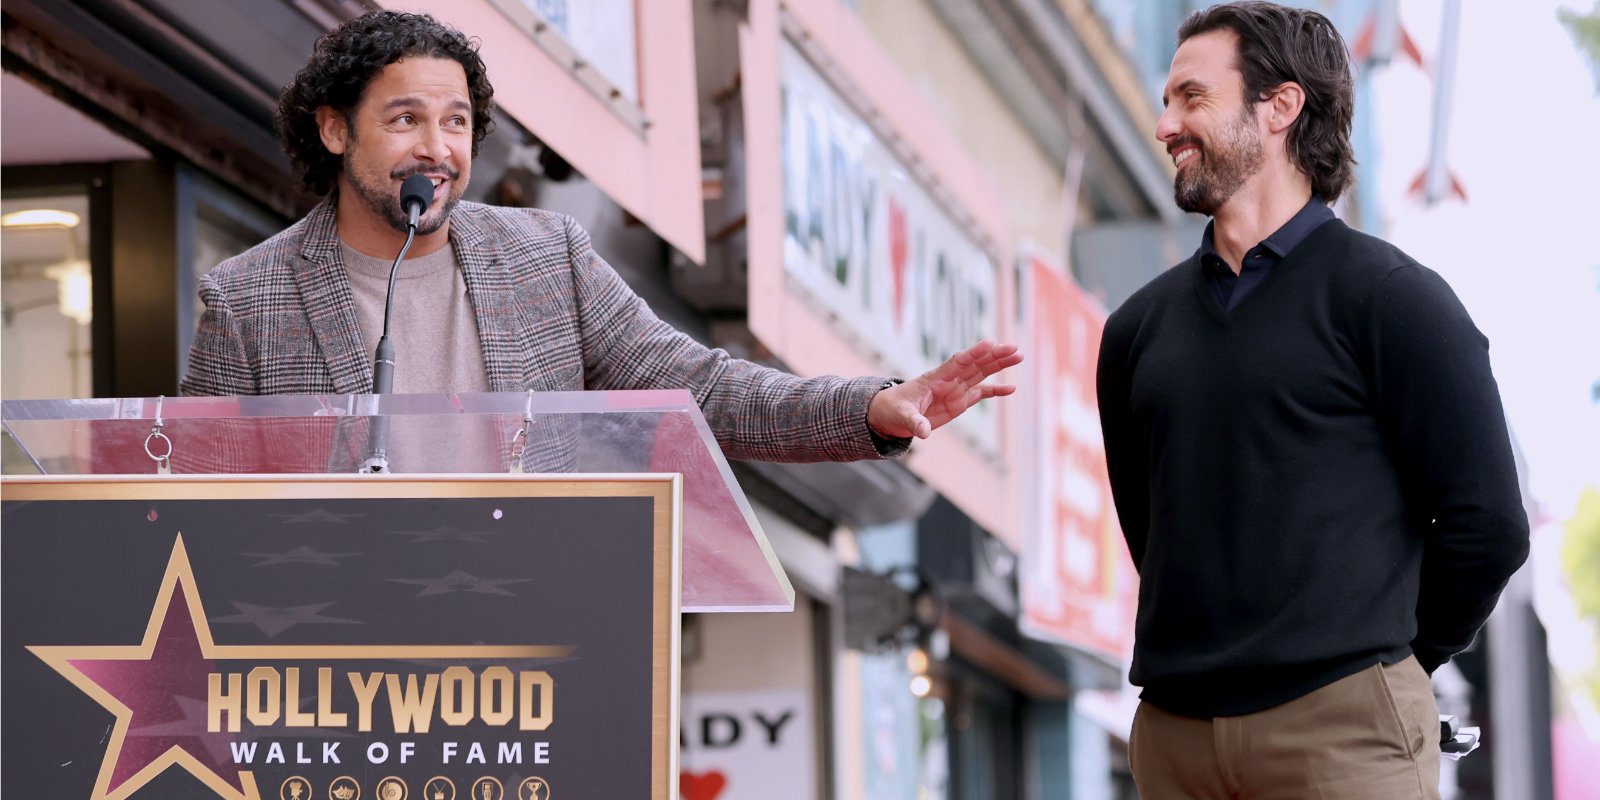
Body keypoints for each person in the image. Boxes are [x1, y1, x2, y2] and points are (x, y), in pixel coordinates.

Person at [178, 11, 1019, 465]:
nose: (437, 147)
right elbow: (195, 491)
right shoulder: (248, 297)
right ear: (333, 130)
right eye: (405, 119)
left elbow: (704, 390)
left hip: (530, 646)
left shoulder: (549, 259)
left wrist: (870, 407)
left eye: (457, 122)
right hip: (330, 666)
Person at [1094, 3, 1528, 797]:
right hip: (1173, 738)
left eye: (1191, 97)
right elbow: (1155, 536)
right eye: (1166, 102)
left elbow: (1489, 526)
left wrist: (1384, 659)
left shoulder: (1395, 301)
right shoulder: (1134, 332)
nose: (1165, 125)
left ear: (1280, 107)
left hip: (1344, 730)